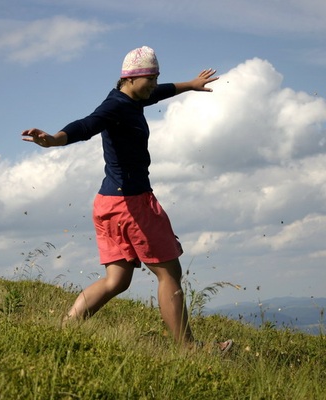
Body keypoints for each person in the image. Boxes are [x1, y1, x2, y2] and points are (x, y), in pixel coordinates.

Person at [22, 46, 232, 354]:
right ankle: (189, 350)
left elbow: (159, 92)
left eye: (156, 76)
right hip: (132, 204)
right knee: (169, 273)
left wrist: (190, 84)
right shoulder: (115, 107)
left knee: (117, 280)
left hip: (109, 203)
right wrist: (54, 139)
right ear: (130, 78)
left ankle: (65, 330)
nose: (154, 83)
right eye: (150, 77)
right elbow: (86, 125)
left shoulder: (134, 98)